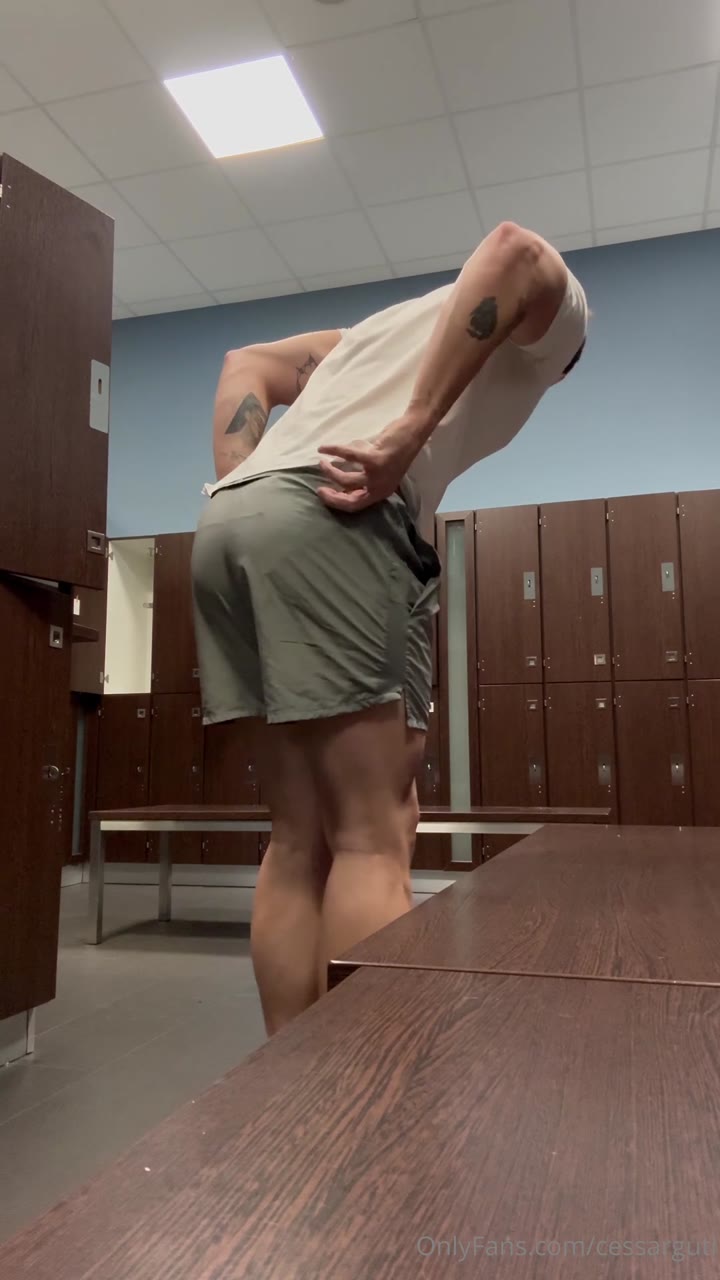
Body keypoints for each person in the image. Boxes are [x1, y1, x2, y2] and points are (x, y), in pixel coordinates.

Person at [192, 221, 588, 1034]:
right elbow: (515, 251)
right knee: (375, 834)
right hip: (334, 517)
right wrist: (409, 429)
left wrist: (250, 484)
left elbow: (245, 363)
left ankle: (294, 1081)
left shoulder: (365, 339)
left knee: (298, 835)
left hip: (230, 522)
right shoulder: (561, 332)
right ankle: (360, 1086)